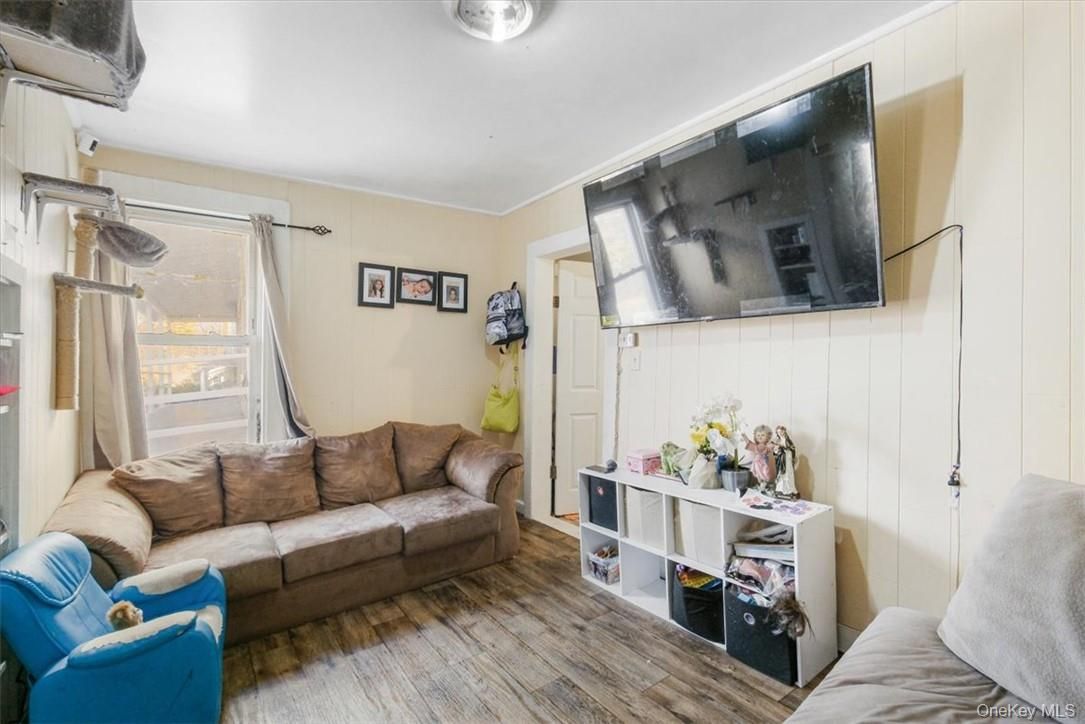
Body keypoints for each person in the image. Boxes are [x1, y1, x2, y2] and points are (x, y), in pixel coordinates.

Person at [743, 424, 777, 491]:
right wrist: (744, 436)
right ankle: (761, 484)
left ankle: (764, 485)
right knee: (758, 475)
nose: (760, 437)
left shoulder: (768, 446)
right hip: (756, 463)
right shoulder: (756, 446)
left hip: (763, 463)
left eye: (762, 435)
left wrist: (776, 446)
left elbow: (774, 447)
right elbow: (749, 444)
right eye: (758, 435)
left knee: (765, 473)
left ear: (768, 437)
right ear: (755, 436)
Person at [773, 426, 799, 500]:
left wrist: (785, 449)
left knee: (788, 474)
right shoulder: (777, 441)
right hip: (781, 460)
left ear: (784, 431)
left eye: (781, 431)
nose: (780, 433)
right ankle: (780, 489)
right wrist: (776, 450)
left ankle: (789, 490)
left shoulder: (788, 441)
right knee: (781, 475)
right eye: (778, 432)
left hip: (787, 460)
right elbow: (775, 452)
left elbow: (792, 449)